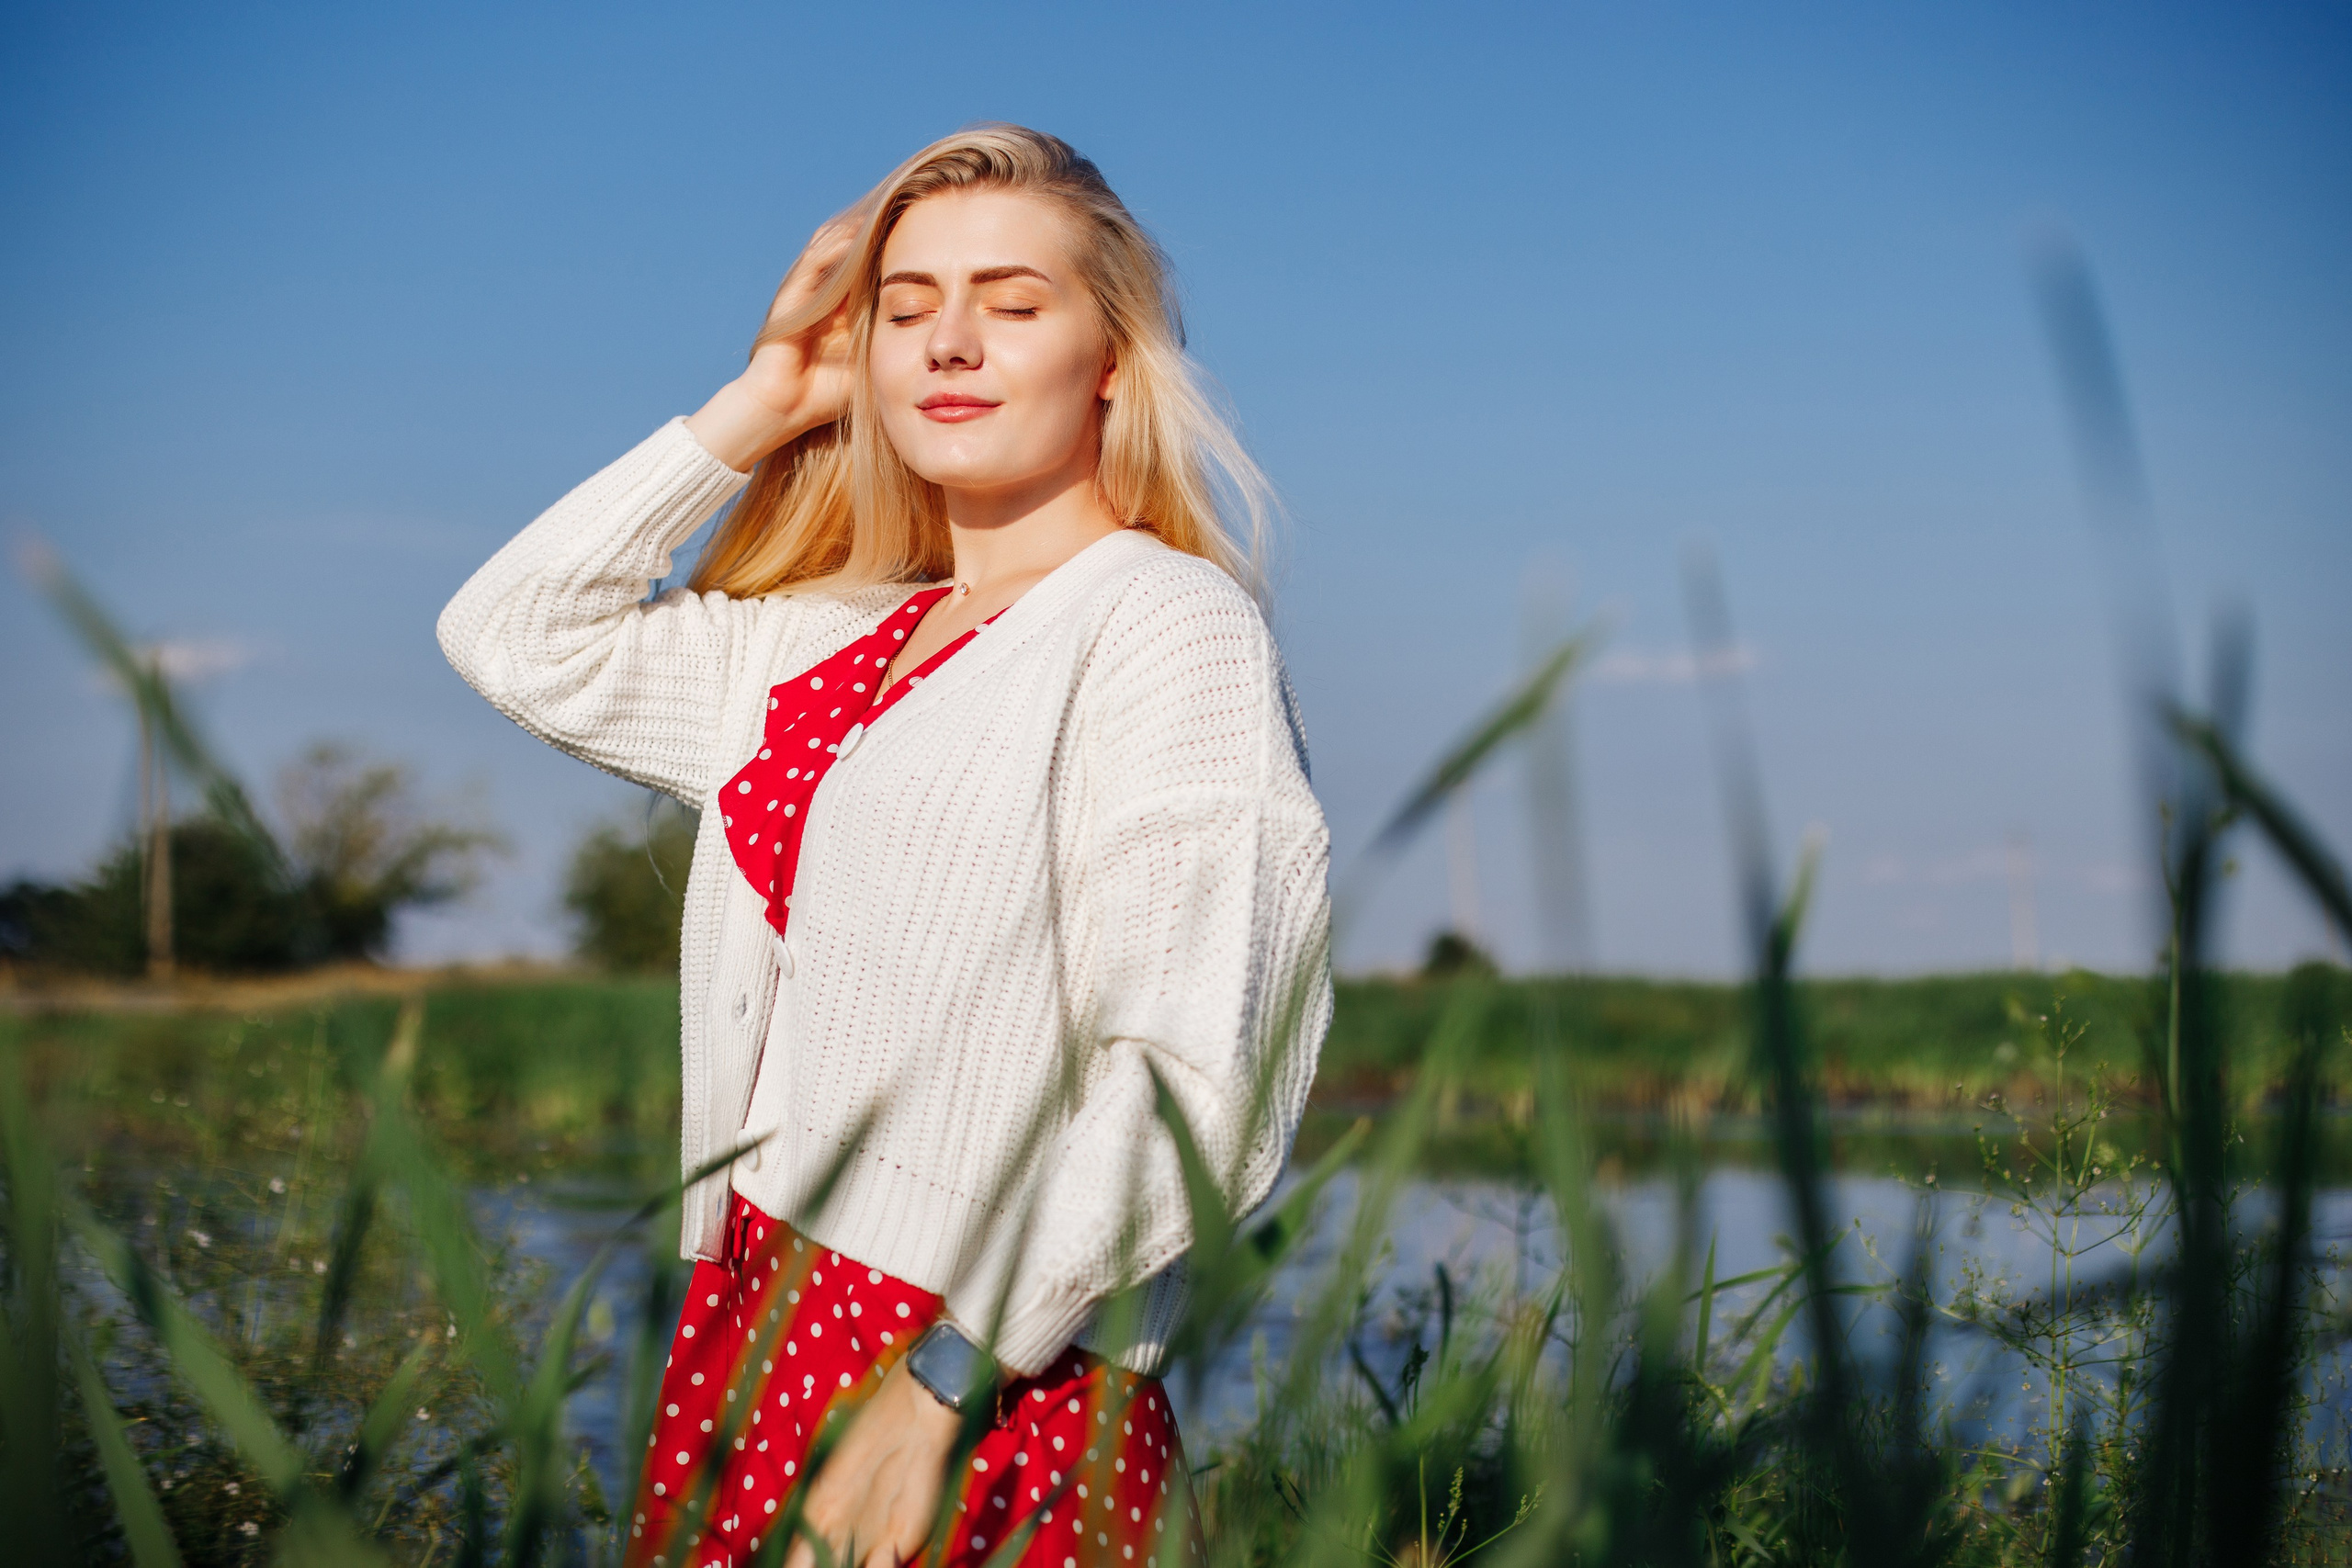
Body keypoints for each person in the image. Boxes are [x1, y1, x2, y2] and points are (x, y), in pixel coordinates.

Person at [438, 125, 1332, 1568]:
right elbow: (514, 637)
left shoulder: (1163, 627)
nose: (951, 342)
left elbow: (1198, 1077)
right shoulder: (823, 640)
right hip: (754, 1308)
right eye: (907, 309)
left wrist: (942, 1382)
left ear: (1112, 359)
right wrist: (762, 399)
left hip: (987, 1362)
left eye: (1013, 304)